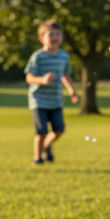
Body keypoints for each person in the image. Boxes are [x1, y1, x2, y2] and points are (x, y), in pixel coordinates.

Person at [25, 20, 79, 166]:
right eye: (51, 34)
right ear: (42, 37)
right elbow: (29, 77)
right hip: (39, 100)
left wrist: (72, 91)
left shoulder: (64, 56)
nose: (55, 37)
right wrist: (42, 80)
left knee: (59, 129)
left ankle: (47, 146)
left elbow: (65, 75)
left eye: (58, 34)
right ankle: (37, 158)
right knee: (41, 131)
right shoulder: (38, 56)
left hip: (56, 100)